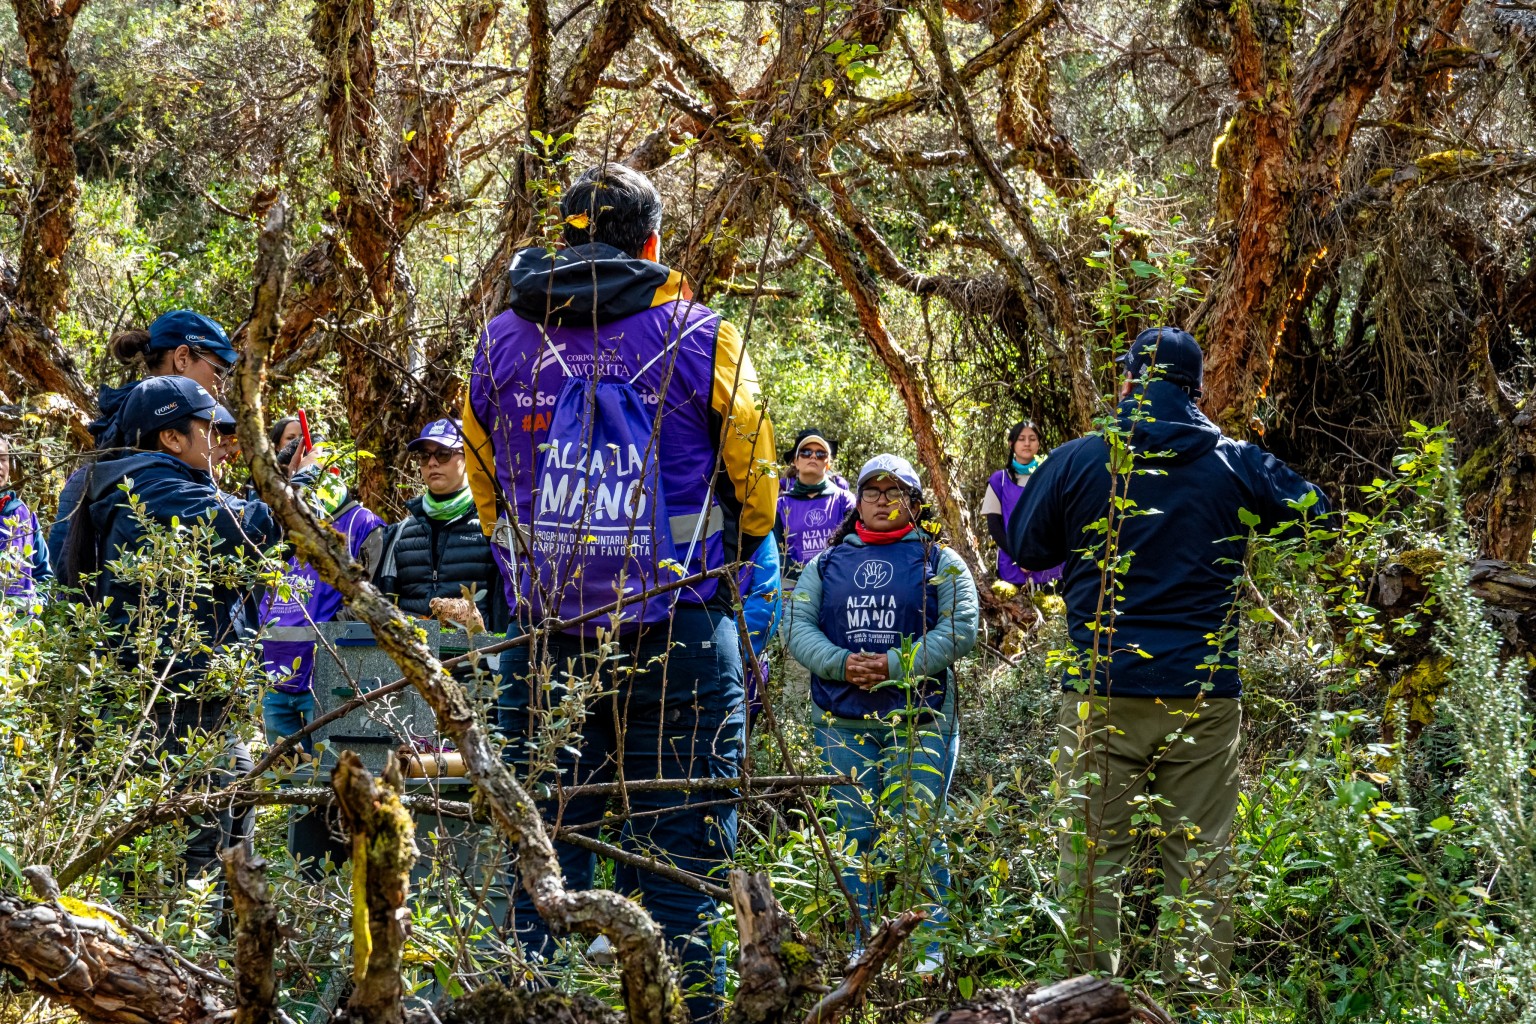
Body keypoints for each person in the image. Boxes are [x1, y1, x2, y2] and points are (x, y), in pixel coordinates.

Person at [463, 162, 775, 1017]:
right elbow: (757, 486)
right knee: (683, 858)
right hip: (683, 628)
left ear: (563, 237)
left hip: (543, 639)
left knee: (543, 850)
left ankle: (529, 1006)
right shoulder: (704, 334)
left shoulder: (499, 341)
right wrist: (725, 561)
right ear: (652, 242)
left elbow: (486, 491)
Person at [1004, 326, 1330, 988]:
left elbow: (1026, 546)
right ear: (1196, 391)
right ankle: (1192, 1001)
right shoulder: (1234, 461)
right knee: (1201, 859)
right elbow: (1315, 514)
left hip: (1101, 689)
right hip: (1202, 692)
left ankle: (1082, 1001)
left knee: (1091, 860)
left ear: (1128, 381)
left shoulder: (1080, 457)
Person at [61, 376, 295, 886]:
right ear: (171, 437)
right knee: (191, 872)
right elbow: (245, 529)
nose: (227, 444)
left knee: (233, 862)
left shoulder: (154, 482)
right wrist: (293, 492)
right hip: (171, 712)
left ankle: (224, 936)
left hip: (201, 709)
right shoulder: (150, 488)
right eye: (214, 430)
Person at [784, 454, 978, 972]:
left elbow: (961, 628)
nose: (883, 500)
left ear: (915, 503)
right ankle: (862, 942)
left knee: (918, 828)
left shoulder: (941, 561)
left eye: (896, 492)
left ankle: (929, 947)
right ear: (858, 501)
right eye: (873, 491)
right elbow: (796, 628)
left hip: (921, 720)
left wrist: (894, 665)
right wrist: (842, 664)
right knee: (855, 834)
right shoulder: (825, 564)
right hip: (842, 720)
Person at [48, 310, 239, 567]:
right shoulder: (141, 473)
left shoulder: (115, 430)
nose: (221, 385)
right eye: (220, 369)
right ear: (182, 358)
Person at [376, 418, 505, 632]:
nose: (432, 463)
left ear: (469, 457)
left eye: (443, 454)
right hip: (414, 651)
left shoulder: (491, 525)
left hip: (478, 652)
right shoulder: (401, 532)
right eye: (424, 456)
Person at [982, 421, 1061, 593]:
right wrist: (1019, 556)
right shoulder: (999, 480)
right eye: (1021, 439)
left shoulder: (1052, 476)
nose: (1027, 443)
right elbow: (994, 526)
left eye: (1032, 439)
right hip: (1012, 566)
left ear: (1038, 443)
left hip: (1050, 566)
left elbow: (1059, 520)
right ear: (1011, 444)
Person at [777, 428, 856, 591]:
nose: (813, 456)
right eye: (806, 452)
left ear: (827, 464)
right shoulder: (780, 505)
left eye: (820, 454)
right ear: (796, 462)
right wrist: (805, 579)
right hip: (795, 591)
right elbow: (778, 553)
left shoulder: (845, 500)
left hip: (836, 585)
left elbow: (852, 545)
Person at [0, 434, 51, 603]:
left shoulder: (24, 515)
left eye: (3, 459)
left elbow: (42, 573)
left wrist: (36, 605)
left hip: (20, 618)